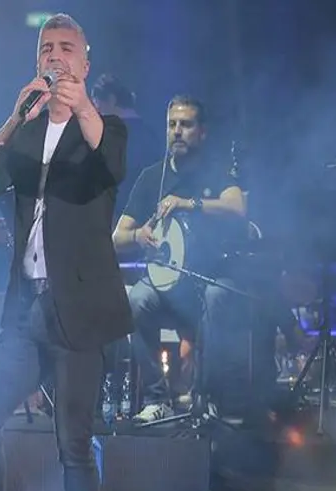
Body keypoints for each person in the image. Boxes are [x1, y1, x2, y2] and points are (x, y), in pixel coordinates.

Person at [0, 13, 132, 491]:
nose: (55, 56)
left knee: (73, 447)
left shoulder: (105, 128)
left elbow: (113, 165)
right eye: (46, 48)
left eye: (66, 48)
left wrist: (83, 108)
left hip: (77, 310)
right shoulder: (28, 131)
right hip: (26, 311)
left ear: (85, 64)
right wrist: (14, 119)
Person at [112, 95, 247, 422]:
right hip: (164, 283)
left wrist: (190, 203)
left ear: (202, 132)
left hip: (208, 278)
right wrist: (138, 235)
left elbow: (237, 208)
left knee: (218, 296)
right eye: (172, 124)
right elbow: (117, 238)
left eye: (185, 125)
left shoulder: (215, 172)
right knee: (135, 300)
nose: (177, 131)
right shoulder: (151, 177)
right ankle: (157, 398)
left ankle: (207, 398)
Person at [91, 74, 162, 219]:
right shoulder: (152, 135)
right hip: (146, 218)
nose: (97, 114)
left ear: (111, 100)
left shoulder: (111, 136)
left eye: (99, 107)